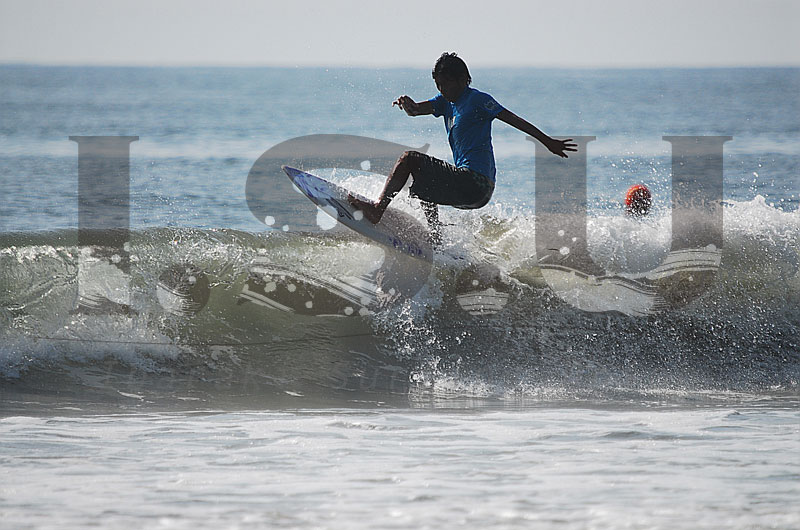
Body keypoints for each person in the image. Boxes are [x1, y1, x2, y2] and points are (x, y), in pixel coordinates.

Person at [349, 52, 577, 237]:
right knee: (422, 179)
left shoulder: (478, 100)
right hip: (470, 188)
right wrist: (407, 105)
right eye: (438, 85)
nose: (441, 90)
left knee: (409, 159)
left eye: (446, 84)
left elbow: (514, 119)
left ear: (462, 80)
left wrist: (548, 142)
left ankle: (377, 209)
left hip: (476, 182)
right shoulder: (444, 102)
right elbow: (416, 110)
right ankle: (436, 236)